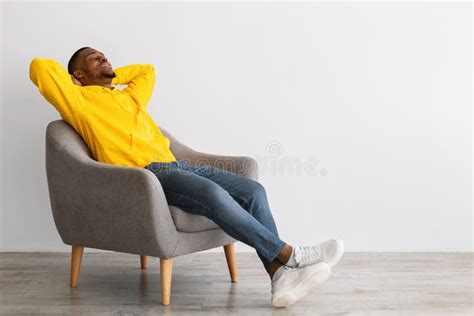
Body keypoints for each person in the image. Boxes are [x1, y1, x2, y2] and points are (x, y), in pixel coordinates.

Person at [29, 46, 344, 308]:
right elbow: (39, 67)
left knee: (253, 191)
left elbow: (147, 71)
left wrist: (112, 75)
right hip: (148, 175)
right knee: (213, 196)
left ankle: (279, 277)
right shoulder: (79, 102)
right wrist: (78, 83)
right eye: (95, 59)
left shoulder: (129, 97)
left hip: (178, 165)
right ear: (78, 75)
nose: (105, 59)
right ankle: (292, 254)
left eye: (105, 56)